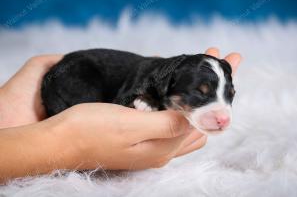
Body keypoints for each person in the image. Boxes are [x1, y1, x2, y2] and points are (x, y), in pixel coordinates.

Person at [0, 48, 241, 183]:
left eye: (228, 95)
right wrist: (69, 145)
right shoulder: (148, 84)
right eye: (200, 95)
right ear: (169, 84)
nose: (222, 115)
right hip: (81, 73)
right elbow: (122, 102)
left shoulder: (168, 77)